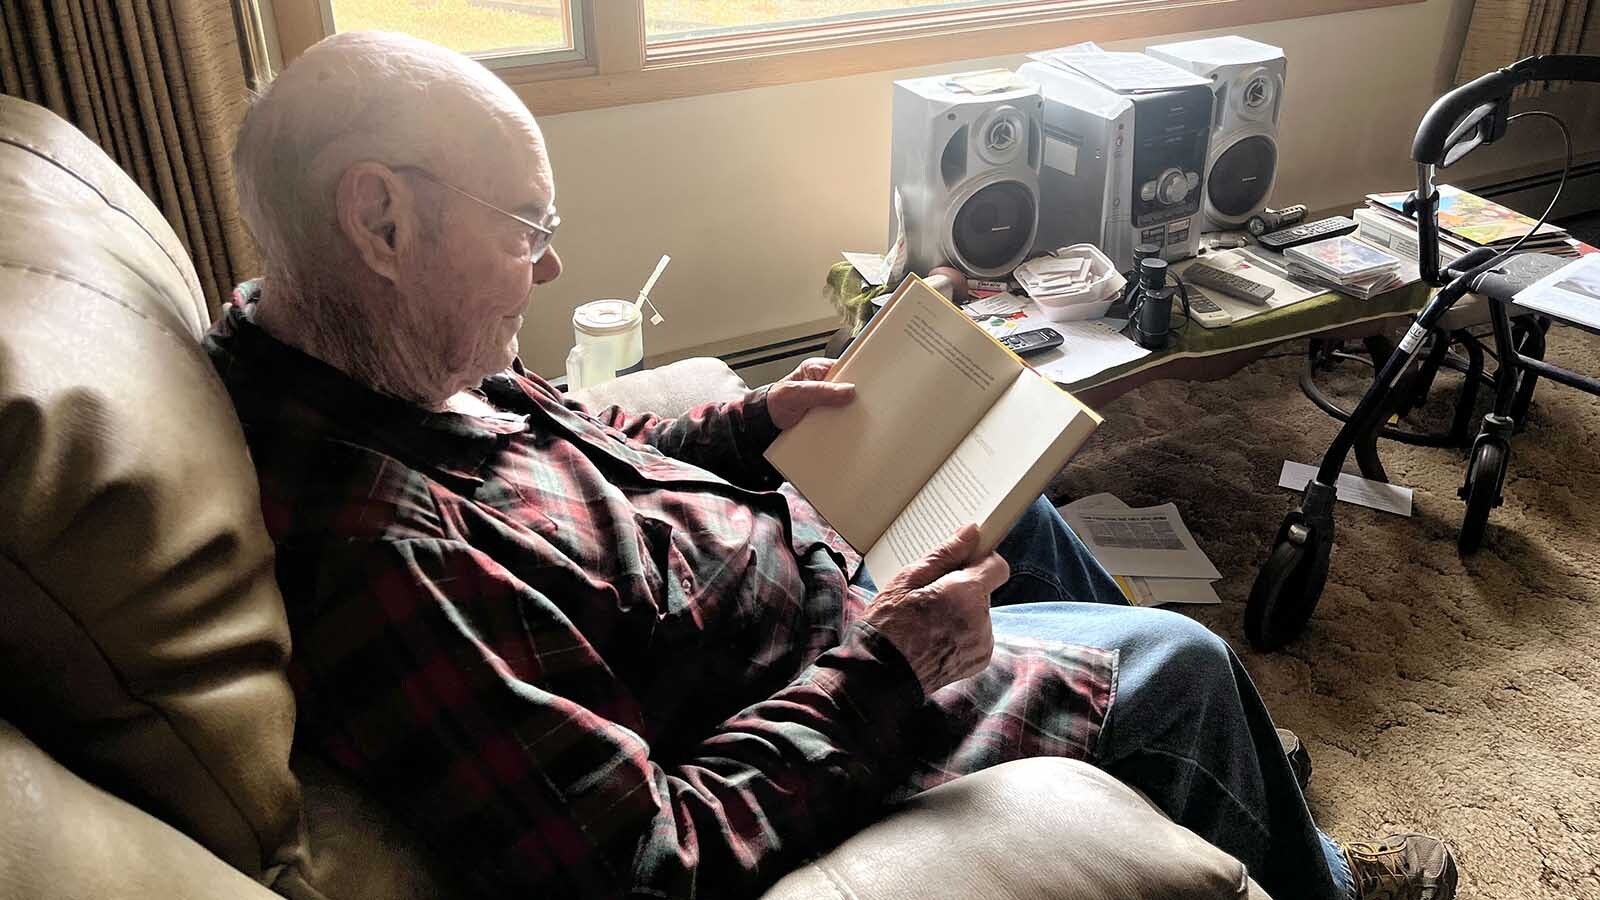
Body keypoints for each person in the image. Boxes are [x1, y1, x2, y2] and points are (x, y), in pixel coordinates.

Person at [206, 30, 1457, 900]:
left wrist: (751, 425)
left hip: (798, 596)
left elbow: (581, 457)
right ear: (382, 220)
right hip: (818, 707)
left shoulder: (379, 352)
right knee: (1187, 667)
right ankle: (1297, 853)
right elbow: (650, 868)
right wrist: (891, 664)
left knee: (1017, 510)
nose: (545, 270)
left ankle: (1183, 762)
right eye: (529, 229)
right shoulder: (388, 557)